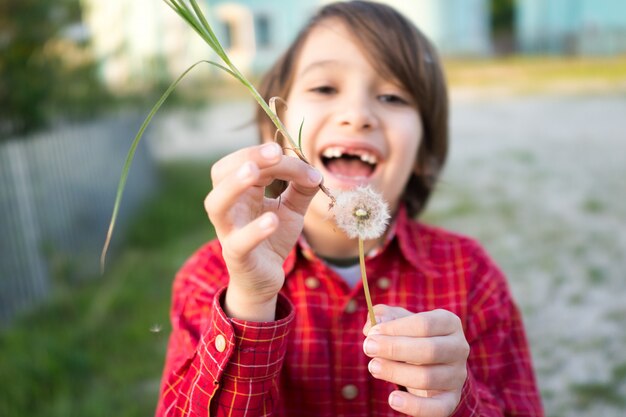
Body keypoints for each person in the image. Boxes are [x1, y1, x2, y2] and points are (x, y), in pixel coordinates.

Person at [155, 1, 544, 416]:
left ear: (423, 153)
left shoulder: (470, 276)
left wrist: (458, 401)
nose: (358, 115)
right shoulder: (211, 279)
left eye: (393, 96)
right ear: (276, 130)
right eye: (325, 88)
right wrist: (250, 302)